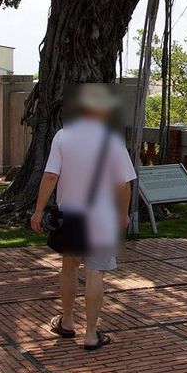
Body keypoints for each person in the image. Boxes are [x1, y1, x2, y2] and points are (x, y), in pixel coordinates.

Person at [31, 84, 136, 350]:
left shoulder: (63, 137)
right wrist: (123, 215)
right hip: (102, 217)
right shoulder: (113, 141)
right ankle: (91, 334)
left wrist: (39, 210)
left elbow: (50, 175)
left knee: (69, 266)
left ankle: (66, 321)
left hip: (70, 214)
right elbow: (124, 184)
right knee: (95, 272)